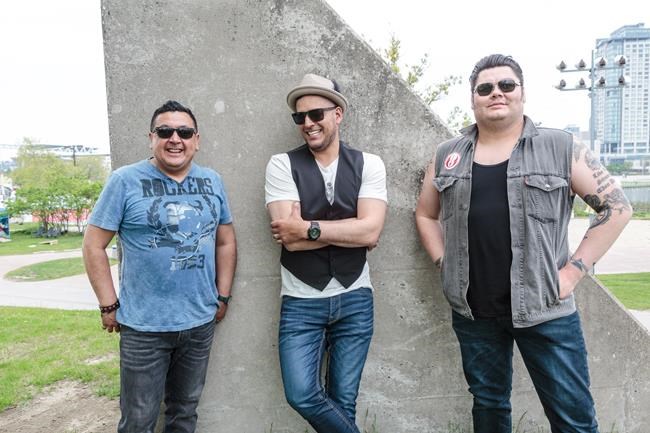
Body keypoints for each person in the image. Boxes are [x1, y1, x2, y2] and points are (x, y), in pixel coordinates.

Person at [415, 54, 632, 433]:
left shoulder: (561, 147)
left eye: (506, 85)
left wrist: (573, 272)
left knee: (574, 420)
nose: (496, 93)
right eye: (485, 88)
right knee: (488, 406)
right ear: (473, 98)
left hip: (546, 310)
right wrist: (443, 263)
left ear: (522, 93)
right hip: (473, 313)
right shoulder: (447, 155)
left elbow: (617, 208)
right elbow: (425, 214)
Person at [82, 100, 237, 433]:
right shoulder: (125, 181)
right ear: (151, 138)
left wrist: (222, 295)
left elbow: (225, 241)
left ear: (197, 140)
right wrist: (108, 304)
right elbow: (93, 245)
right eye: (165, 131)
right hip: (144, 328)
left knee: (185, 412)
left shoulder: (212, 181)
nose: (175, 139)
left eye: (184, 132)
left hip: (199, 323)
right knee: (139, 420)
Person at [265, 73, 387, 433]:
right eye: (299, 116)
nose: (307, 123)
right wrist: (352, 232)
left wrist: (307, 227)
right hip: (301, 300)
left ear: (338, 114)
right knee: (302, 395)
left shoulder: (370, 163)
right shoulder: (281, 164)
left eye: (316, 114)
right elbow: (290, 240)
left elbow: (372, 231)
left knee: (343, 401)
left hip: (355, 297)